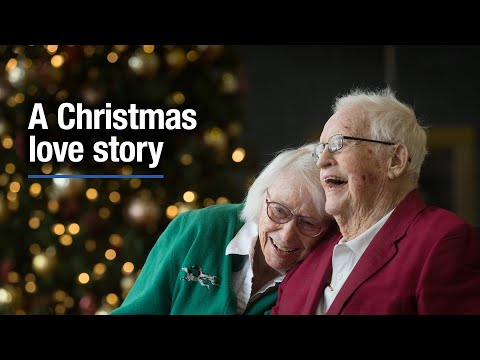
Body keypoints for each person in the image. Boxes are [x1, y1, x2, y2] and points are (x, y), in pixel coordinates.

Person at [271, 87, 480, 315]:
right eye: (321, 149)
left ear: (395, 160)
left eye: (337, 144)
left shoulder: (443, 242)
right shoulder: (314, 243)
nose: (322, 161)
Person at [110, 143, 337, 315]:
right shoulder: (199, 229)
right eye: (279, 211)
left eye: (308, 223)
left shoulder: (322, 277)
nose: (287, 235)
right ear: (262, 197)